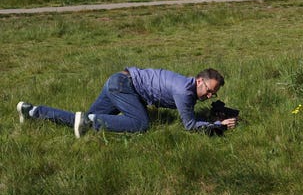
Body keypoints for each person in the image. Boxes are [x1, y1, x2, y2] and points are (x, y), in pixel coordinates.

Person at [17, 67, 237, 137]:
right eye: (209, 91)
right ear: (200, 80)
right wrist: (217, 126)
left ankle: (33, 111)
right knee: (141, 125)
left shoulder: (186, 86)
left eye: (213, 95)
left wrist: (210, 114)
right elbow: (188, 125)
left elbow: (189, 113)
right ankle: (92, 119)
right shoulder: (184, 92)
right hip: (124, 86)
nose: (209, 96)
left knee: (82, 124)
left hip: (119, 81)